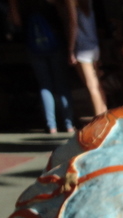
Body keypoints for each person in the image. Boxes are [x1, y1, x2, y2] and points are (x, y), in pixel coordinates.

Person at [9, 0, 75, 134]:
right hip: (55, 41)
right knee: (61, 84)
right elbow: (65, 16)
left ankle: (51, 126)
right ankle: (69, 124)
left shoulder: (20, 3)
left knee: (45, 86)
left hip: (34, 44)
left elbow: (16, 21)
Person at [65, 0, 107, 115]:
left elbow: (73, 23)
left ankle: (100, 119)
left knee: (91, 86)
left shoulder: (71, 1)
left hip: (82, 46)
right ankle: (105, 116)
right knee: (97, 85)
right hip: (93, 44)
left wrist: (70, 49)